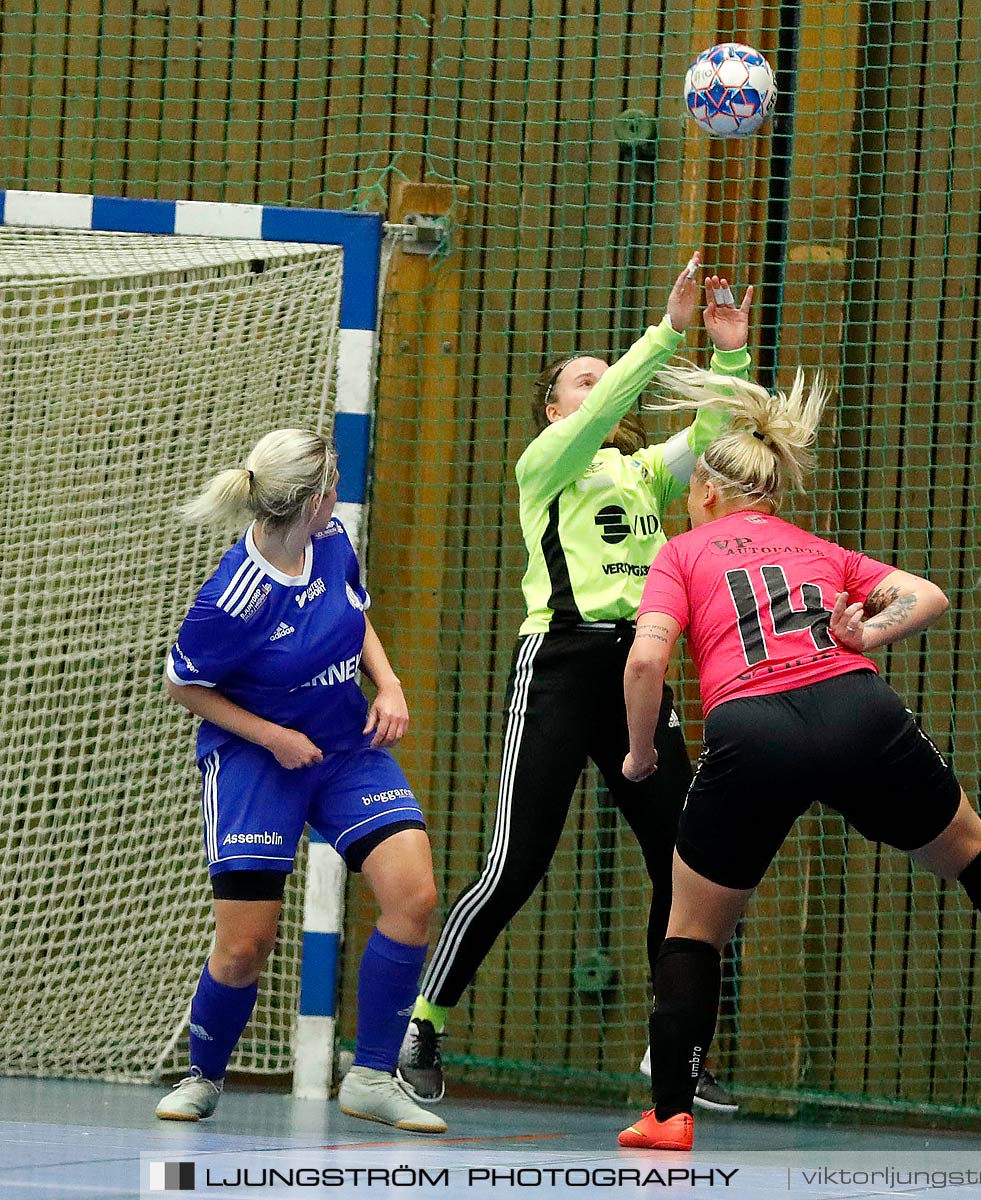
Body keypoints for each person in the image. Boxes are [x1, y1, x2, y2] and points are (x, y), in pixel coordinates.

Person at [615, 370, 981, 1152]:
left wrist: (640, 753)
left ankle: (671, 1114)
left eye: (691, 492)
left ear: (714, 496)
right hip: (857, 709)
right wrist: (864, 637)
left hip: (752, 731)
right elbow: (925, 595)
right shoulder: (817, 546)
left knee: (693, 929)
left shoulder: (684, 553)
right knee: (972, 850)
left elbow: (645, 664)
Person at [396, 254, 750, 1110]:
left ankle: (675, 1053)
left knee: (687, 860)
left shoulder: (640, 473)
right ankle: (425, 1024)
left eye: (605, 374)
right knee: (515, 862)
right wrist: (666, 333)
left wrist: (727, 353)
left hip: (638, 668)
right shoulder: (544, 464)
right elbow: (607, 406)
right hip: (556, 663)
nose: (601, 385)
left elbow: (720, 437)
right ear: (557, 409)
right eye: (582, 380)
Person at [157, 429, 445, 1134]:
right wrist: (271, 737)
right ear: (314, 498)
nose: (339, 491)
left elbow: (355, 612)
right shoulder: (233, 597)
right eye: (335, 482)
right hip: (260, 758)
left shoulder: (333, 539)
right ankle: (204, 1075)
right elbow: (182, 684)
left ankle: (373, 1075)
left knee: (415, 898)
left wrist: (389, 683)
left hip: (347, 745)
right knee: (246, 945)